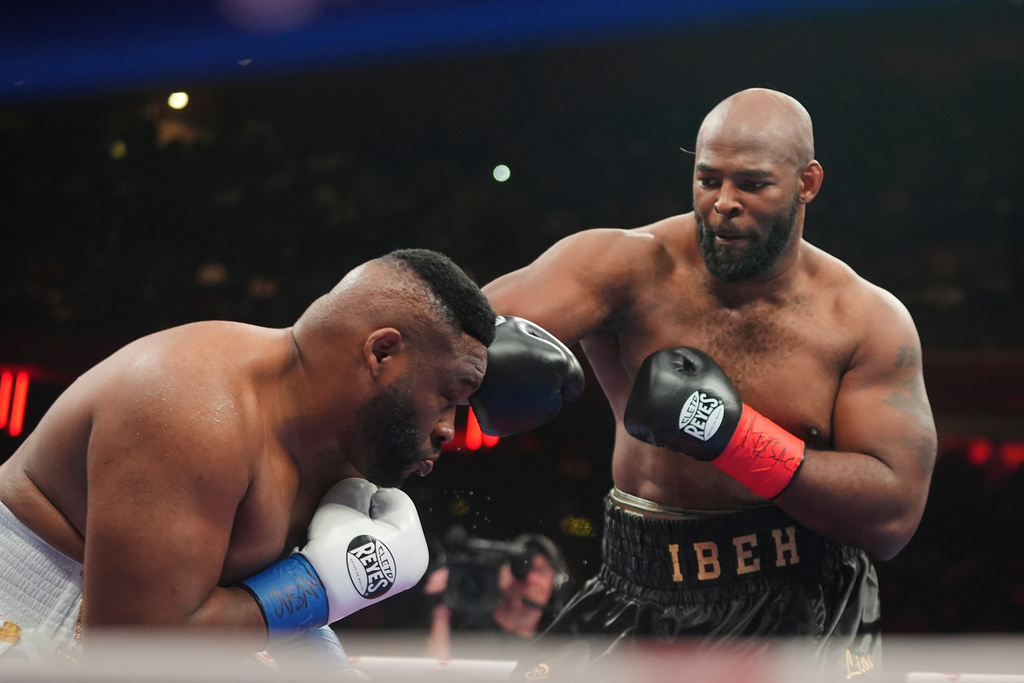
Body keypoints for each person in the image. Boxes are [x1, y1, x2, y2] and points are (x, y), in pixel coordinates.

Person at [481, 88, 937, 680]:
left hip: (798, 596)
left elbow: (893, 517)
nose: (723, 203)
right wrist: (478, 367)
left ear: (807, 183)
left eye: (752, 184)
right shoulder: (625, 266)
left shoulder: (864, 320)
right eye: (707, 179)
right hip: (634, 575)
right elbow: (450, 329)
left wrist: (731, 435)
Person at [0, 248, 501, 673]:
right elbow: (131, 658)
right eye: (449, 395)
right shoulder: (190, 404)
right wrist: (318, 587)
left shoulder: (336, 445)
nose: (448, 429)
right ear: (382, 352)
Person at [421, 531, 569, 662]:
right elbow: (435, 673)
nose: (530, 579)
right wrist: (440, 613)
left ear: (556, 583)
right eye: (521, 570)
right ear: (503, 575)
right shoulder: (466, 631)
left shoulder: (555, 649)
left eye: (541, 572)